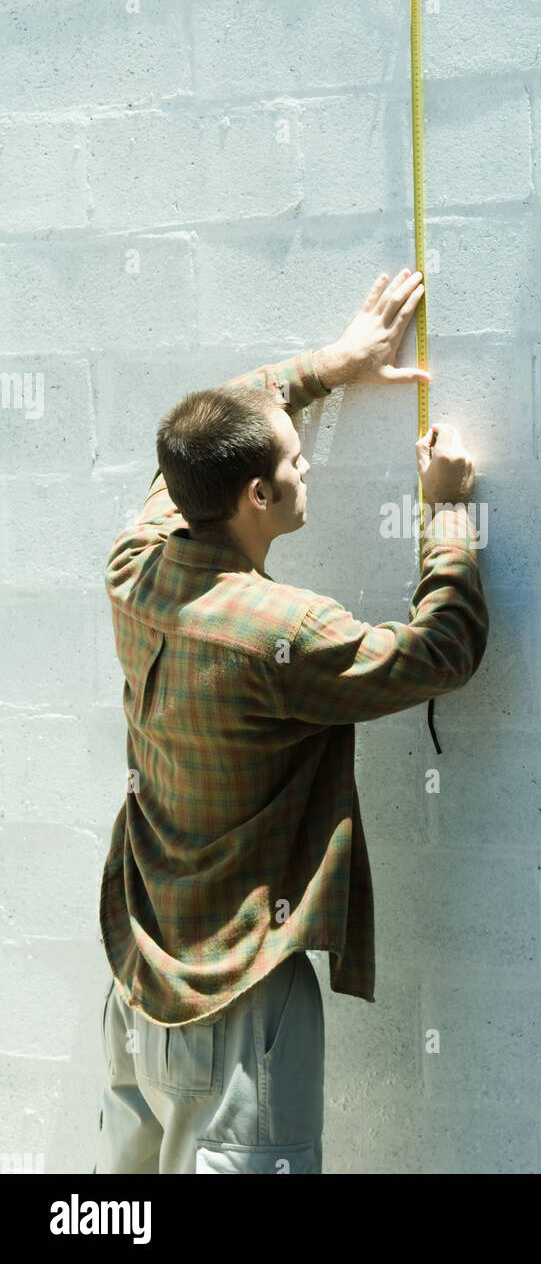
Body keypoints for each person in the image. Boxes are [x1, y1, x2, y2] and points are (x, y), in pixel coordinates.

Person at [93, 267, 489, 1173]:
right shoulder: (287, 635)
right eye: (295, 462)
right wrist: (448, 513)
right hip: (238, 1008)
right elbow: (441, 654)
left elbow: (215, 424)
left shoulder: (134, 567)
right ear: (256, 499)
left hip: (136, 982)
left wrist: (333, 363)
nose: (308, 463)